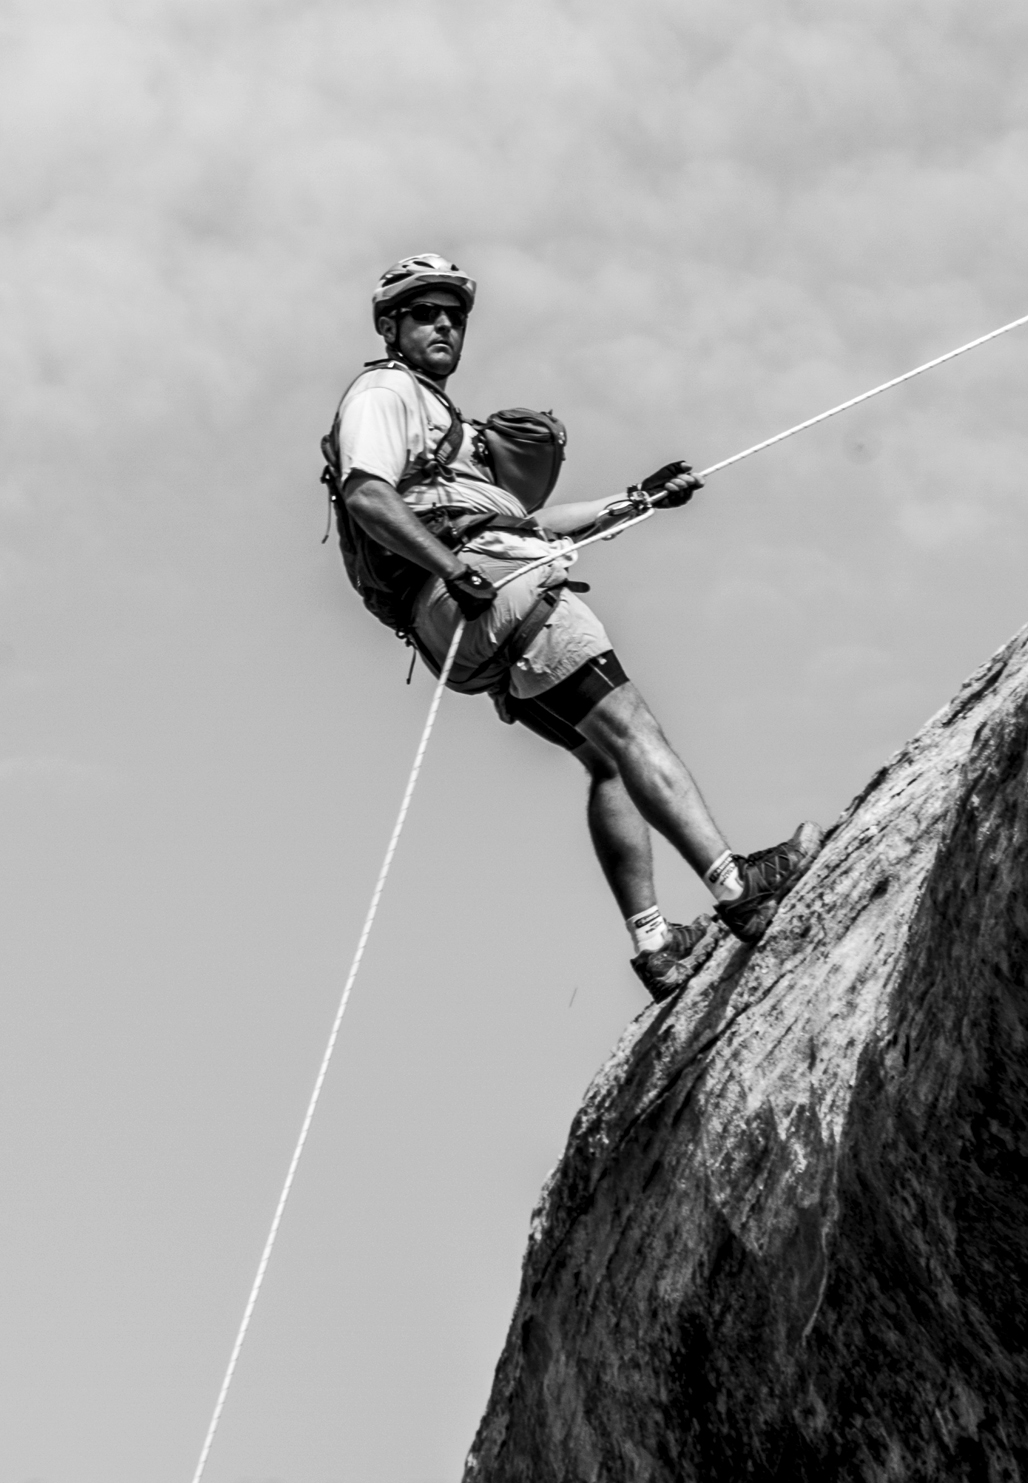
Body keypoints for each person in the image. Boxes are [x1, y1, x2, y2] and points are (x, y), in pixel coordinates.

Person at [328, 253, 822, 1002]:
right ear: (390, 326)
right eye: (426, 313)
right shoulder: (386, 392)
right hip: (490, 587)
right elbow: (367, 493)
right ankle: (737, 886)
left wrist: (636, 500)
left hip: (472, 614)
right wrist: (454, 568)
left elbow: (527, 522)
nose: (445, 325)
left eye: (455, 316)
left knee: (606, 761)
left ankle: (655, 943)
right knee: (634, 729)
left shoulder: (444, 433)